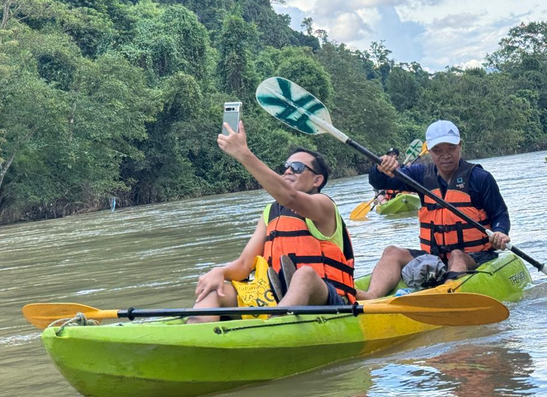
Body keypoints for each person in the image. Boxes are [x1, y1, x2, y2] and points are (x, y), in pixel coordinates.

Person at [188, 121, 356, 323]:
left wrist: (243, 154)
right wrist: (218, 272)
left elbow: (290, 197)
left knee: (305, 275)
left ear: (317, 180)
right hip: (277, 297)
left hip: (329, 299)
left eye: (297, 167)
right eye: (286, 167)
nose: (288, 171)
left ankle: (274, 326)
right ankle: (196, 332)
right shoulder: (271, 212)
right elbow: (243, 265)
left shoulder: (324, 206)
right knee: (216, 288)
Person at [357, 119, 511, 300]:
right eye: (438, 150)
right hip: (435, 256)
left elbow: (500, 214)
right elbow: (381, 182)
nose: (445, 155)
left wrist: (500, 232)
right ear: (429, 151)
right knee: (392, 252)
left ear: (460, 146)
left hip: (475, 255)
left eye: (451, 149)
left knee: (457, 256)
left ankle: (446, 297)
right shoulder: (420, 175)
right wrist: (379, 168)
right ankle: (370, 296)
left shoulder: (480, 178)